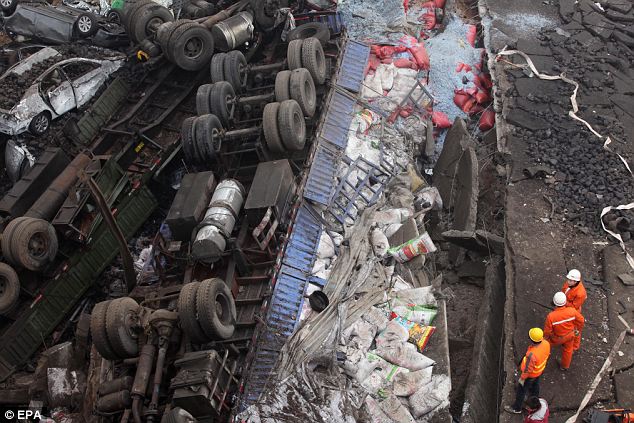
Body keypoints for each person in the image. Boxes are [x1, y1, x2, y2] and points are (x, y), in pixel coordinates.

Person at [504, 328, 551, 414]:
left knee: (521, 390)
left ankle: (517, 408)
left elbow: (527, 370)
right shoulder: (546, 343)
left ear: (532, 339)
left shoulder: (532, 354)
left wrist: (522, 378)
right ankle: (534, 399)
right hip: (539, 371)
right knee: (535, 385)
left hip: (530, 375)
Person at [544, 292, 584, 370]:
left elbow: (547, 331)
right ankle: (564, 366)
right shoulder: (572, 311)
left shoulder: (551, 316)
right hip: (570, 335)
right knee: (568, 350)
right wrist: (577, 329)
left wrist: (546, 338)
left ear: (554, 303)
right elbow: (581, 320)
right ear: (565, 302)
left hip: (557, 338)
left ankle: (543, 358)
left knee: (547, 345)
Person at [562, 268, 587, 351]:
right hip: (565, 306)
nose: (568, 281)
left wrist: (563, 302)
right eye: (568, 279)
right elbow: (563, 290)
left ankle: (574, 347)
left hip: (573, 311)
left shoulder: (580, 293)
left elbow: (574, 306)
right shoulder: (569, 284)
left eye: (570, 280)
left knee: (575, 330)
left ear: (575, 282)